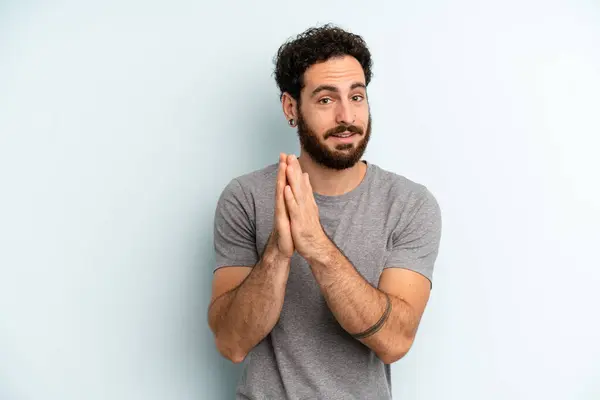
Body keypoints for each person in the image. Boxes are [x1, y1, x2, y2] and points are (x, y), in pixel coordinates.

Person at [208, 24, 442, 400]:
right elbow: (232, 343)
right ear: (291, 107)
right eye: (325, 100)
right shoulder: (245, 197)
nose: (346, 116)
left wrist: (316, 246)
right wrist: (278, 254)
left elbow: (394, 341)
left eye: (357, 96)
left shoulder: (410, 204)